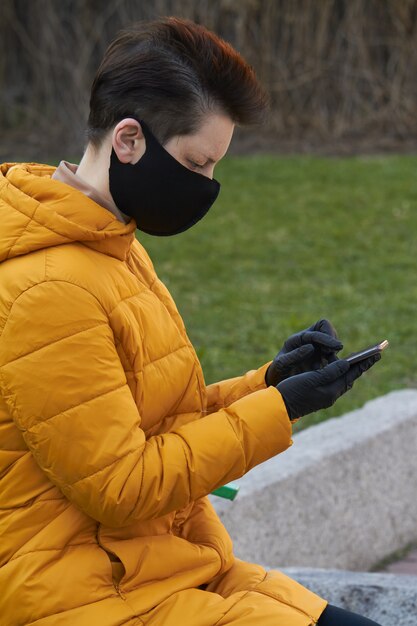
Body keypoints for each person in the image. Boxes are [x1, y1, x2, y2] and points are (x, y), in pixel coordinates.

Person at [0, 17, 383, 626]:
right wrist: (276, 414)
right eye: (196, 164)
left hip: (158, 564)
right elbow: (122, 486)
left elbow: (148, 424)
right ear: (129, 141)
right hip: (88, 593)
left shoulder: (110, 245)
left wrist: (270, 385)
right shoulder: (50, 289)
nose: (207, 188)